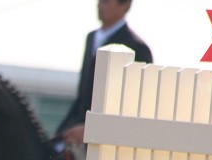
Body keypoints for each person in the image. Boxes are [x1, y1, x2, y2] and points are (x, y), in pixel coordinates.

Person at [56, 0, 153, 150]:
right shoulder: (91, 37)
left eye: (106, 1)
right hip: (77, 129)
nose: (100, 5)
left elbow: (130, 104)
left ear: (125, 5)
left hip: (107, 140)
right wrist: (63, 129)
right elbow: (83, 94)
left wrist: (91, 128)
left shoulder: (138, 48)